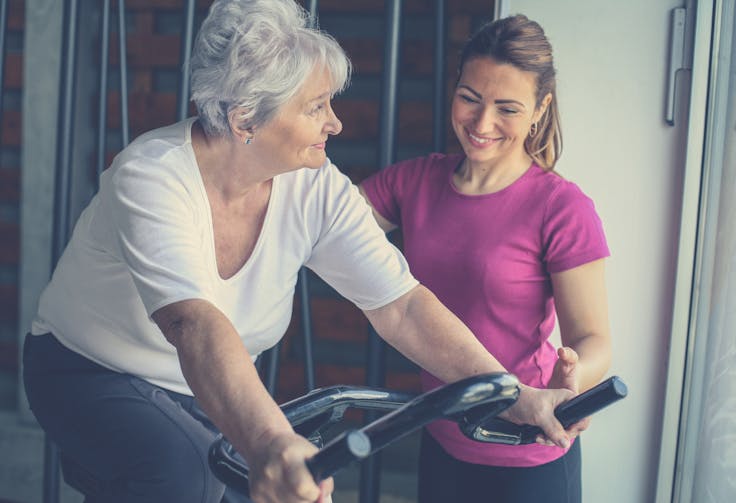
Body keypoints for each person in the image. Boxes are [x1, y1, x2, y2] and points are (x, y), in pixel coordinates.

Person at [23, 3, 577, 503]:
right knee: (188, 472)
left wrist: (512, 393)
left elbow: (400, 306)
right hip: (90, 369)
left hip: (199, 388)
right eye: (315, 107)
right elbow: (194, 324)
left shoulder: (315, 186)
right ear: (245, 118)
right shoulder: (152, 177)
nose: (334, 122)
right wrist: (269, 442)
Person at [359, 14, 612, 503]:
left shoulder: (562, 207)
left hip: (529, 455)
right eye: (470, 98)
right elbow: (327, 224)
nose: (481, 124)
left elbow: (593, 337)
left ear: (541, 109)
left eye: (507, 109)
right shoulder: (414, 182)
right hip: (442, 440)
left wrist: (573, 378)